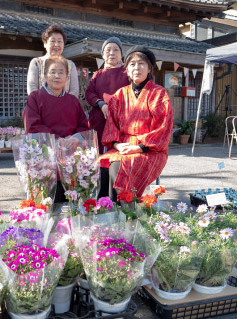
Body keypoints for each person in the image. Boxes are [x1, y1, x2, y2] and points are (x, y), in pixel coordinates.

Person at [100, 45, 173, 201]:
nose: (136, 68)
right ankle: (100, 209)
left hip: (150, 149)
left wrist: (139, 147)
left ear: (149, 69)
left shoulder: (159, 94)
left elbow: (163, 127)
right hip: (123, 146)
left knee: (118, 167)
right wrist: (117, 144)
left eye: (141, 64)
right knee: (100, 165)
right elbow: (111, 124)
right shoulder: (120, 94)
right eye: (132, 64)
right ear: (126, 69)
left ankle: (122, 210)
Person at [23, 56, 89, 203]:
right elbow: (32, 126)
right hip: (45, 156)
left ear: (67, 77)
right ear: (45, 75)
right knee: (46, 203)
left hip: (70, 156)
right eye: (53, 72)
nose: (57, 76)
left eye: (61, 72)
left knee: (70, 202)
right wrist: (57, 140)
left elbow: (83, 126)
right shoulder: (35, 97)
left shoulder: (73, 101)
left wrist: (75, 139)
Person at [85, 37, 129, 198]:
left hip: (120, 125)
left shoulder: (127, 73)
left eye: (115, 50)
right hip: (98, 123)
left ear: (122, 54)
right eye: (107, 50)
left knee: (114, 160)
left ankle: (114, 196)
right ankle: (96, 197)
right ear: (103, 55)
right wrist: (101, 104)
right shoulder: (97, 74)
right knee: (96, 160)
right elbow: (89, 93)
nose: (111, 53)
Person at [27, 24, 79, 98]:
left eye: (59, 41)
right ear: (45, 44)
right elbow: (32, 88)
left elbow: (74, 90)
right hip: (41, 105)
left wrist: (65, 103)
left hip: (64, 107)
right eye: (53, 41)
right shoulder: (36, 62)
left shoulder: (70, 65)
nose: (56, 44)